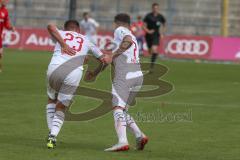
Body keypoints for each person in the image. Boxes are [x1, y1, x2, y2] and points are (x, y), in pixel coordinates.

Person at [45, 20, 111, 149]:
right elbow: (105, 60)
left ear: (66, 28)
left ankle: (50, 132)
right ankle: (53, 136)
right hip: (74, 73)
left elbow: (50, 26)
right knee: (61, 106)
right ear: (79, 29)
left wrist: (63, 44)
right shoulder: (86, 39)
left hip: (55, 68)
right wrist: (95, 73)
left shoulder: (62, 33)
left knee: (51, 99)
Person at [87, 13, 148, 152]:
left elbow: (126, 41)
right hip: (138, 75)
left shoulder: (121, 31)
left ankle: (122, 142)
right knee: (122, 110)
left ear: (117, 23)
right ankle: (140, 136)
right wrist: (95, 73)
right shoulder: (126, 37)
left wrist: (113, 55)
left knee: (117, 108)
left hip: (125, 75)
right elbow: (110, 59)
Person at [143, 3, 166, 71]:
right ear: (152, 8)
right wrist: (148, 31)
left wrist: (162, 33)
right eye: (154, 8)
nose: (155, 9)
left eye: (157, 8)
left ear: (158, 9)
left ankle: (152, 66)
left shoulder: (160, 16)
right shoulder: (148, 16)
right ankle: (152, 58)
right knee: (150, 51)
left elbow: (164, 25)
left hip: (156, 35)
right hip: (148, 35)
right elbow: (143, 26)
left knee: (154, 50)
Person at [0, 0, 15, 72]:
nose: (6, 2)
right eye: (5, 1)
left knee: (0, 54)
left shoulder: (5, 11)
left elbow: (6, 24)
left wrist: (11, 28)